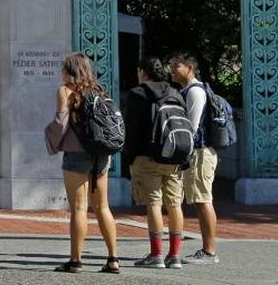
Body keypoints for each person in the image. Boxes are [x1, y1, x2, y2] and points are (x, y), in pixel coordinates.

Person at [44, 52, 120, 274]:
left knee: (78, 207)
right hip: (101, 153)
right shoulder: (99, 91)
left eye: (63, 68)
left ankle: (75, 260)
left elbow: (60, 123)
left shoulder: (65, 91)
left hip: (76, 154)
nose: (60, 73)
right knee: (103, 206)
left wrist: (50, 139)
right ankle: (113, 259)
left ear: (70, 71)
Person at [123, 56, 186, 269]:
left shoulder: (137, 94)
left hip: (147, 157)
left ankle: (156, 254)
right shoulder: (175, 92)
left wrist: (128, 157)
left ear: (142, 71)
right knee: (175, 204)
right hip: (174, 156)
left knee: (154, 204)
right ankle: (175, 255)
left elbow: (131, 130)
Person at [170, 52, 220, 265]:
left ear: (190, 68)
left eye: (176, 66)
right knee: (200, 200)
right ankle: (207, 250)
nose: (171, 70)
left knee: (202, 200)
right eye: (171, 66)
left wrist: (181, 153)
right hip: (198, 151)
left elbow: (191, 126)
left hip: (200, 152)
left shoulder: (195, 92)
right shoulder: (188, 90)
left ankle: (209, 251)